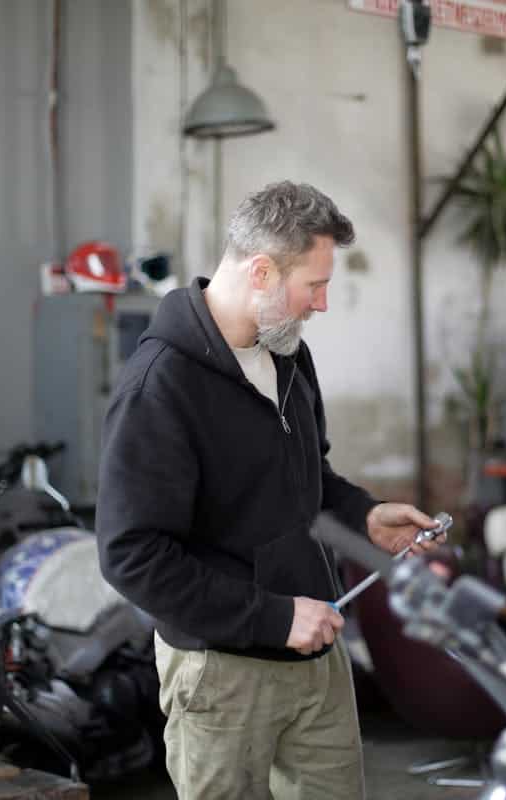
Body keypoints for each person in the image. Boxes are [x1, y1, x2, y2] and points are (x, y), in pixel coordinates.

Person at [96, 181, 442, 799]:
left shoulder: (286, 356)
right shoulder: (160, 388)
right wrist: (273, 617)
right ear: (261, 272)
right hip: (221, 675)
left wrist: (365, 516)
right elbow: (131, 555)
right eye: (315, 285)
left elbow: (311, 482)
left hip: (318, 659)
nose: (323, 304)